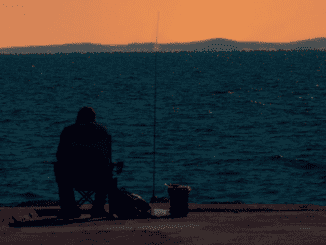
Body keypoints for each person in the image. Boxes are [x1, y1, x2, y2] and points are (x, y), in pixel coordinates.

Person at [54, 106, 114, 219]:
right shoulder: (102, 131)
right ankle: (98, 208)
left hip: (73, 178)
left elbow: (60, 155)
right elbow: (107, 157)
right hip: (97, 179)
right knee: (107, 168)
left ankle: (70, 208)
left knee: (59, 167)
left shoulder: (68, 131)